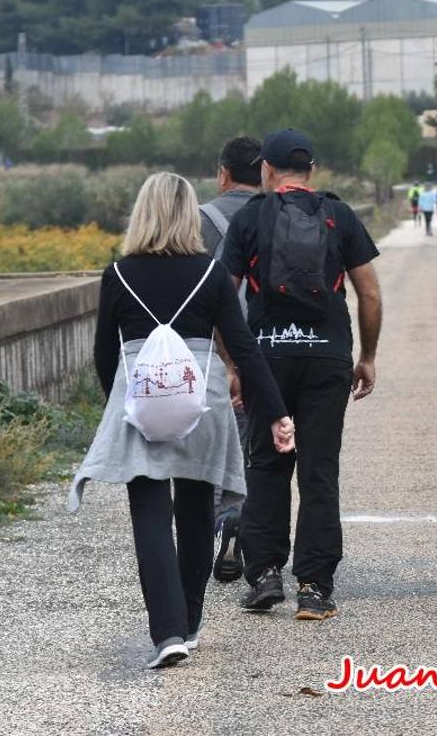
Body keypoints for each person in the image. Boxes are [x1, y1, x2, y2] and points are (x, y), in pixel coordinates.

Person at [70, 172, 294, 670]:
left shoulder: (118, 273)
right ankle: (190, 624)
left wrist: (122, 404)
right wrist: (277, 411)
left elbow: (104, 355)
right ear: (189, 214)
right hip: (204, 404)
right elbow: (244, 349)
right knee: (196, 511)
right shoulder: (211, 274)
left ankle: (167, 632)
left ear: (142, 213)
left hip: (142, 402)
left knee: (150, 514)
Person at [222, 128, 382, 621]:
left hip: (266, 359)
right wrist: (367, 356)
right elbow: (370, 294)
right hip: (326, 356)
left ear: (266, 170)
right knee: (318, 469)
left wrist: (233, 365)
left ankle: (266, 574)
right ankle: (314, 587)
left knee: (267, 462)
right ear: (312, 171)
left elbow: (224, 299)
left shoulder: (250, 217)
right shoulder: (340, 216)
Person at [198, 136, 263, 582]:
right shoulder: (279, 213)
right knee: (265, 444)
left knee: (221, 443)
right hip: (275, 343)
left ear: (223, 173)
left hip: (217, 349)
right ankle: (257, 531)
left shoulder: (201, 221)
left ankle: (227, 521)